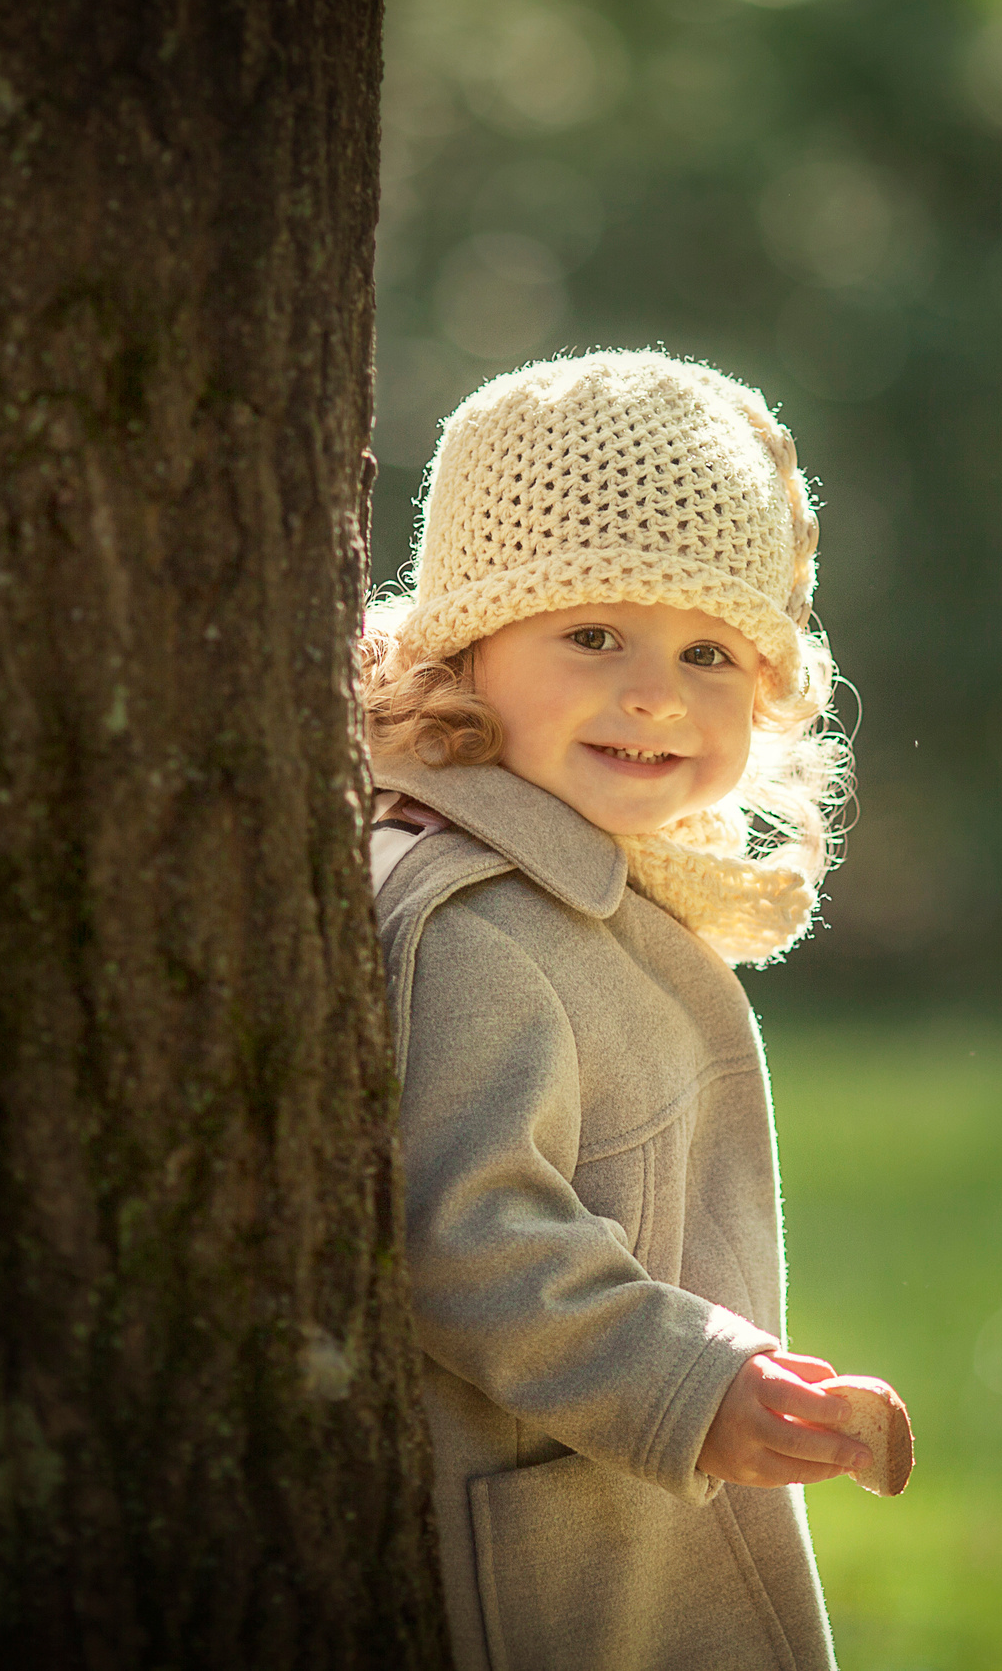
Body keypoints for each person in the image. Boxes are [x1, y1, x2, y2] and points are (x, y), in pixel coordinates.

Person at [357, 350, 888, 1669]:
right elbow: (462, 1226)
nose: (654, 693)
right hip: (548, 1541)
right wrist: (688, 1380)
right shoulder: (482, 923)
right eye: (592, 633)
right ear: (468, 646)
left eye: (710, 651)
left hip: (606, 1508)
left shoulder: (578, 889)